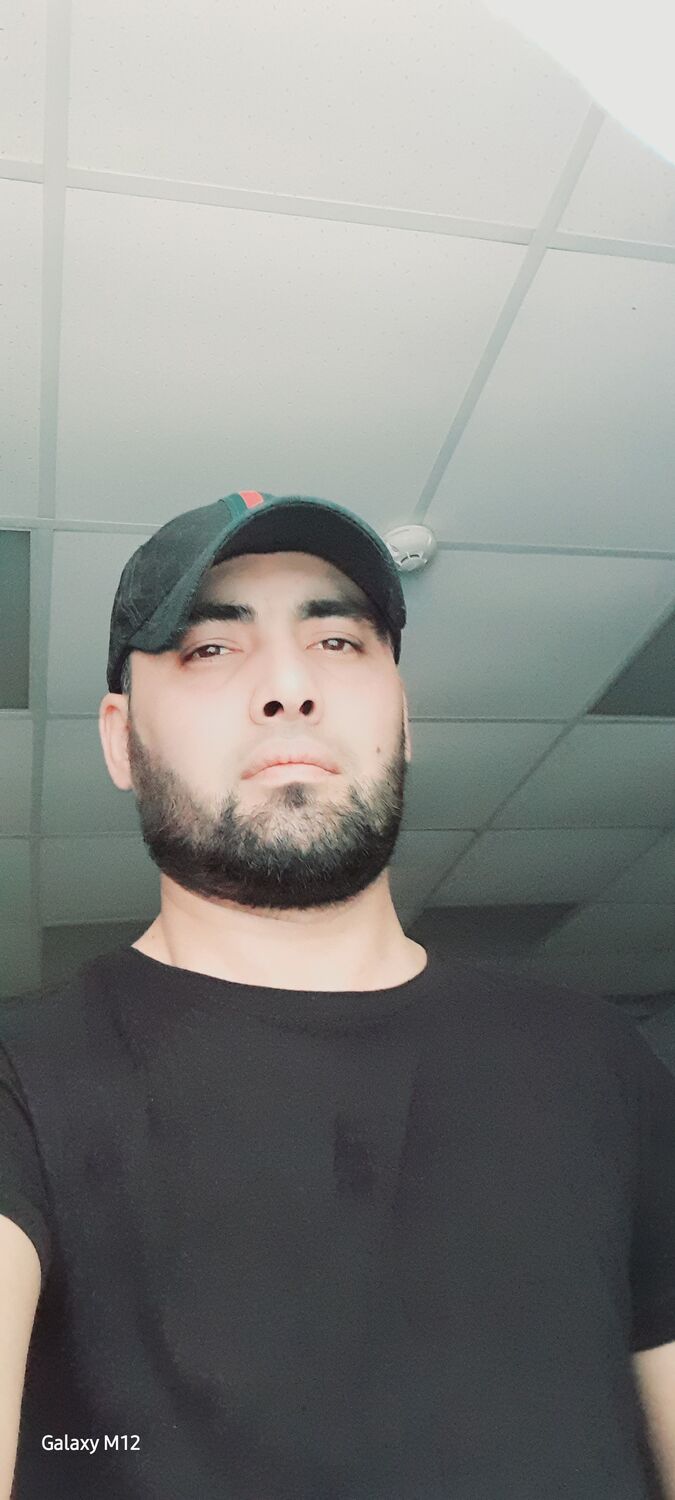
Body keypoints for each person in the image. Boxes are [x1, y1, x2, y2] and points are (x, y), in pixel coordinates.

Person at [0, 489, 673, 1499]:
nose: (289, 688)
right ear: (118, 738)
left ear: (403, 717)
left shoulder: (601, 1063)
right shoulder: (22, 1085)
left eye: (339, 643)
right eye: (210, 648)